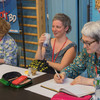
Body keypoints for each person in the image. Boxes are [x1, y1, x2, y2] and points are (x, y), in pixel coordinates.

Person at [54, 21, 100, 86]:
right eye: (83, 41)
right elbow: (75, 67)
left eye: (88, 42)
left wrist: (90, 81)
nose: (84, 46)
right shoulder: (87, 51)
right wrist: (63, 74)